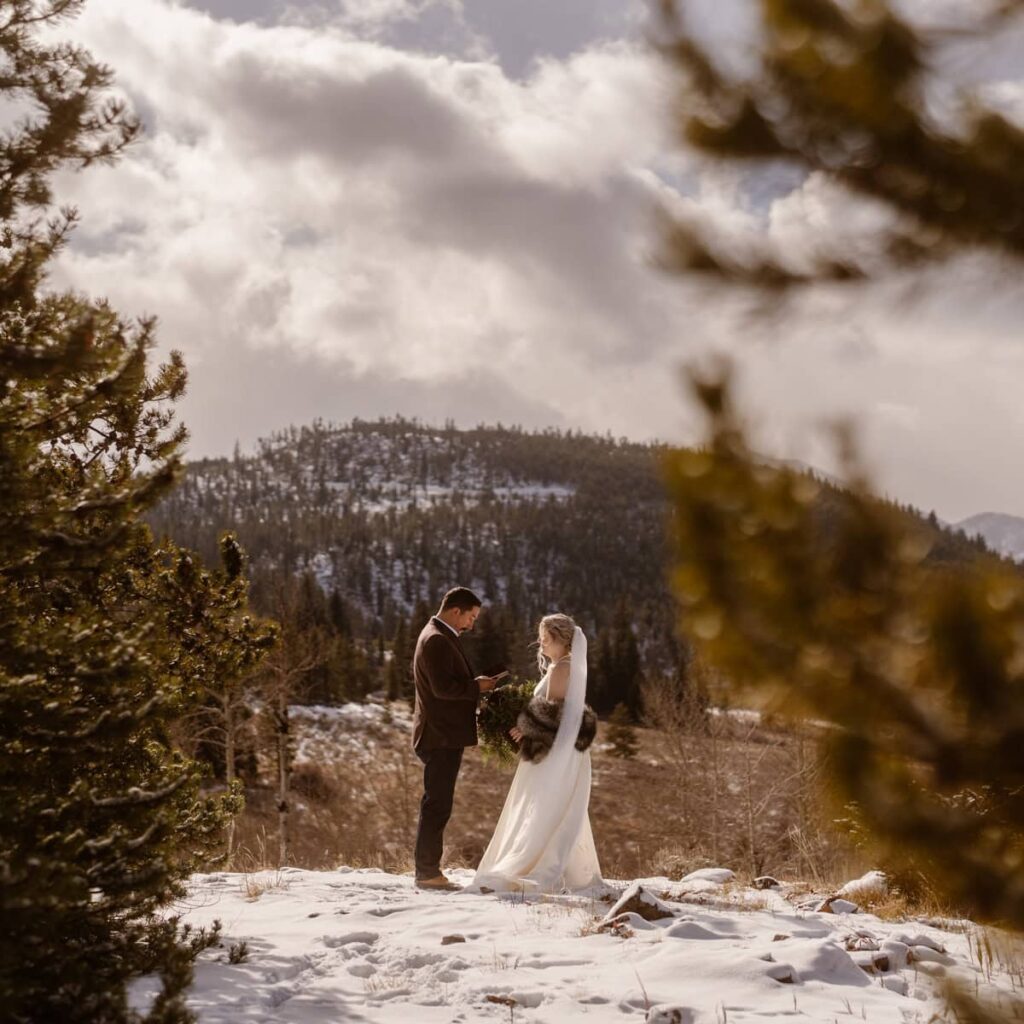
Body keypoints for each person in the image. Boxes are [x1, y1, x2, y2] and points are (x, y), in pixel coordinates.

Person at [469, 613, 603, 894]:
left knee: (542, 806)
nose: (540, 646)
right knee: (558, 806)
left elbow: (553, 711)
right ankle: (559, 866)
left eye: (545, 640)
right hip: (564, 749)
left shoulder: (561, 669)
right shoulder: (566, 666)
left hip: (552, 751)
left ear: (560, 640)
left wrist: (524, 727)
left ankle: (530, 865)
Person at [411, 586, 502, 890]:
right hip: (440, 735)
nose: (472, 625)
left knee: (438, 802)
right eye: (471, 617)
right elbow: (442, 689)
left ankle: (428, 870)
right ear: (455, 611)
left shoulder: (439, 634)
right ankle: (427, 872)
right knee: (437, 804)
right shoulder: (436, 639)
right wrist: (478, 687)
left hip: (442, 733)